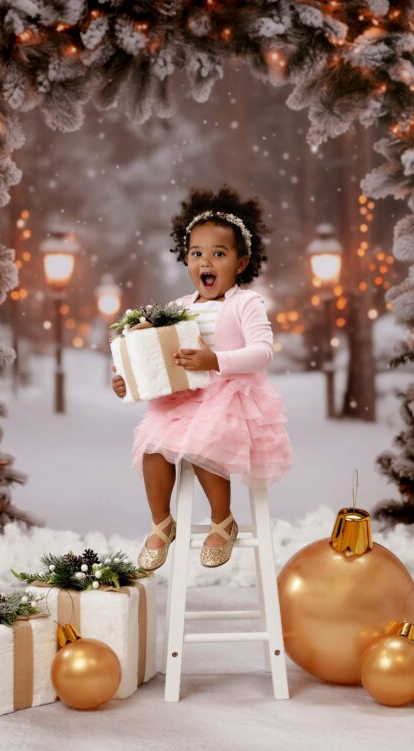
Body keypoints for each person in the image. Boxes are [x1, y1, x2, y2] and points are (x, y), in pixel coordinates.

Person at [111, 185, 292, 570]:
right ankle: (162, 523)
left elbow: (263, 352)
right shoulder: (177, 308)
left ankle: (222, 520)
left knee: (207, 437)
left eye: (218, 254)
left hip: (229, 393)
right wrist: (128, 378)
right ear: (185, 258)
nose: (205, 262)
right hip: (183, 397)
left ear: (241, 263)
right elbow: (156, 355)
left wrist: (215, 359)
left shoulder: (246, 303)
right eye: (196, 253)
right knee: (154, 446)